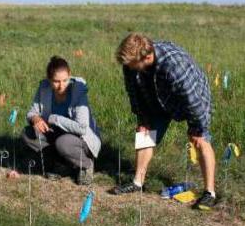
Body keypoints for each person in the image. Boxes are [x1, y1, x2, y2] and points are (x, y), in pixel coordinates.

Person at [113, 33, 218, 210]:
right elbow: (133, 93)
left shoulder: (175, 65)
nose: (128, 68)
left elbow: (193, 101)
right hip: (156, 96)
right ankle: (137, 183)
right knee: (145, 133)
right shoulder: (130, 64)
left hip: (193, 96)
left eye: (132, 65)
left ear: (147, 57)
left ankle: (209, 193)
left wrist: (197, 129)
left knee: (201, 141)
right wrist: (142, 117)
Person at [22, 56, 101, 185]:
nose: (61, 86)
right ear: (49, 79)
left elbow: (82, 128)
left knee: (63, 143)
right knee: (28, 133)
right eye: (56, 81)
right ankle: (60, 164)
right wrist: (35, 119)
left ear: (70, 75)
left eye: (65, 80)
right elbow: (32, 112)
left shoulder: (79, 91)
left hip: (81, 139)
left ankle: (86, 165)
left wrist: (55, 118)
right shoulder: (44, 88)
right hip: (56, 134)